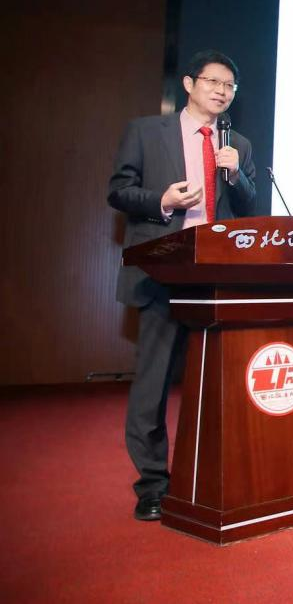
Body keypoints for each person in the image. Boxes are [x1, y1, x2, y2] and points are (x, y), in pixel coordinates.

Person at [107, 50, 257, 521]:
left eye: (229, 86)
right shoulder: (145, 131)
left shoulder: (238, 144)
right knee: (153, 382)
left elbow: (248, 203)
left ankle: (213, 474)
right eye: (213, 81)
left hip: (215, 276)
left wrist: (236, 174)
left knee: (219, 380)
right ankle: (153, 484)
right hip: (163, 271)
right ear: (189, 84)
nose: (221, 91)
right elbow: (118, 190)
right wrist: (163, 200)